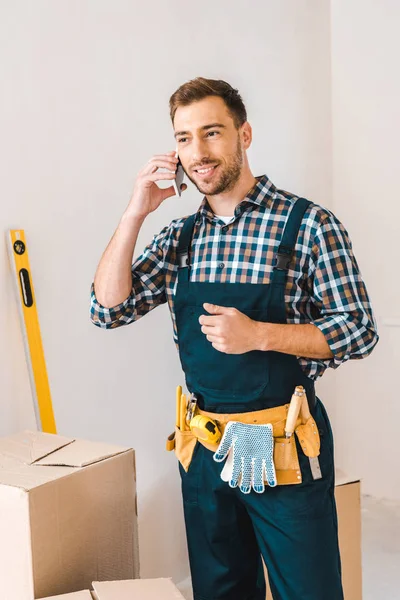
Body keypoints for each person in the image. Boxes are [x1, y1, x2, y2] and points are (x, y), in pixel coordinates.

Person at [90, 77, 379, 600]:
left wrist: (260, 335)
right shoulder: (179, 237)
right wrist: (137, 210)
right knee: (221, 589)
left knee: (308, 590)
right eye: (183, 138)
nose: (198, 152)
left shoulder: (308, 226)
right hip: (205, 445)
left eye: (212, 132)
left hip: (282, 440)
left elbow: (359, 330)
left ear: (244, 135)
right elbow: (107, 309)